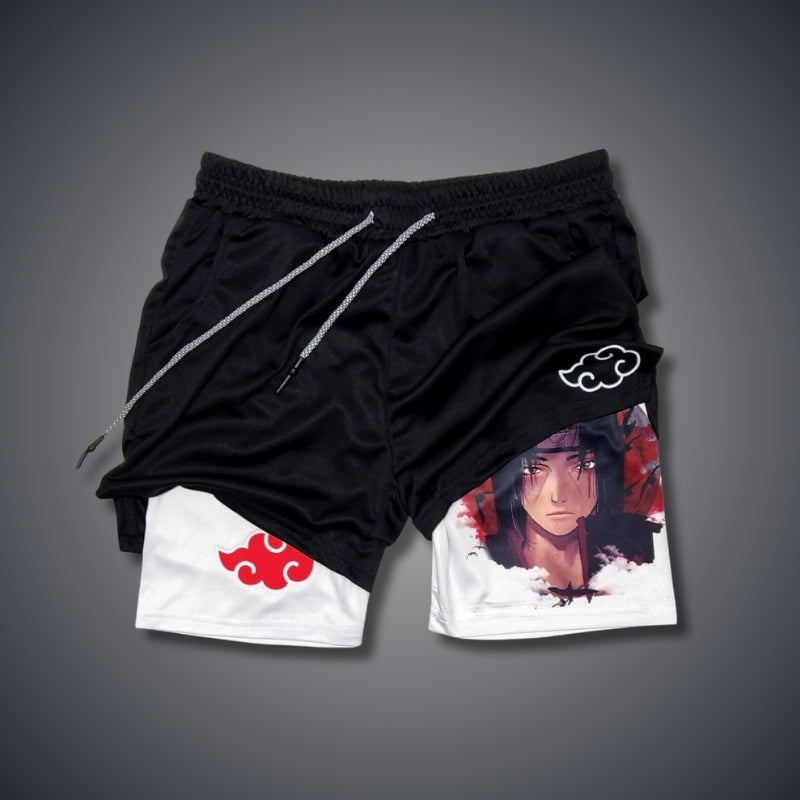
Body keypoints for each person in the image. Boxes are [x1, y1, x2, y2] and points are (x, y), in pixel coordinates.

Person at [483, 408, 662, 598]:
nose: (558, 496)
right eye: (533, 470)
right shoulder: (485, 561)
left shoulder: (635, 554)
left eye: (583, 466)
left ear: (605, 476)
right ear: (511, 482)